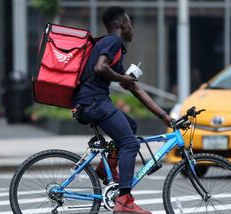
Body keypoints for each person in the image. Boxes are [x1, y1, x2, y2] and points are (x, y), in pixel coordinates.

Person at [72, 6, 172, 214]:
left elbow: (133, 87)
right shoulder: (113, 41)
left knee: (131, 126)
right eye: (130, 23)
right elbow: (101, 68)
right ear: (121, 25)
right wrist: (123, 78)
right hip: (94, 102)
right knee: (129, 143)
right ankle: (124, 201)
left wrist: (164, 116)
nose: (132, 28)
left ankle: (105, 167)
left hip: (91, 102)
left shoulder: (112, 48)